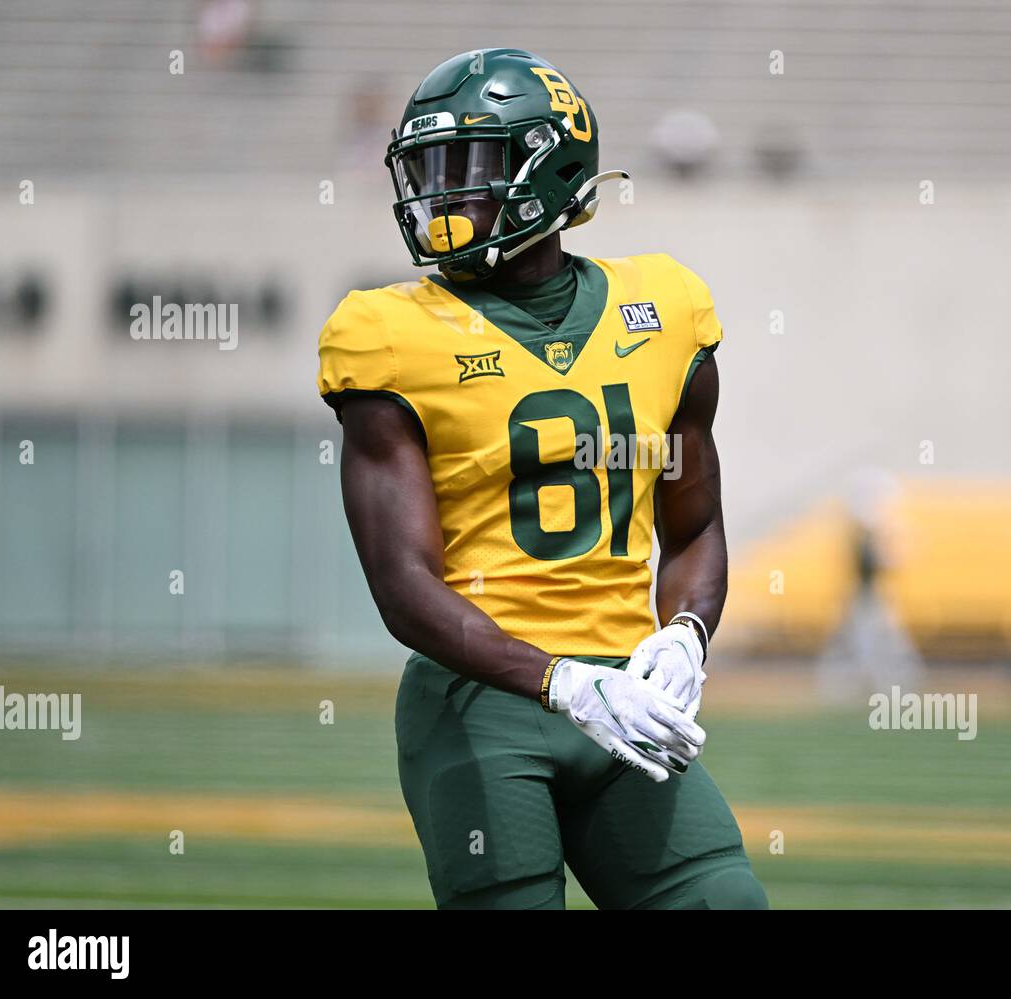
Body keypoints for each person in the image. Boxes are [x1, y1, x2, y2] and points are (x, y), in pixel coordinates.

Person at [316, 48, 767, 910]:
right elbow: (402, 584)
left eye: (469, 168)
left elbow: (696, 525)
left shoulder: (664, 309)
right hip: (479, 698)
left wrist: (684, 635)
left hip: (626, 696)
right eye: (428, 169)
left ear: (549, 172)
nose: (439, 196)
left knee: (724, 902)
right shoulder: (388, 333)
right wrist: (561, 680)